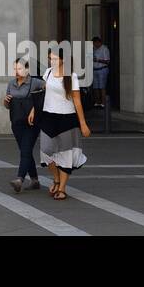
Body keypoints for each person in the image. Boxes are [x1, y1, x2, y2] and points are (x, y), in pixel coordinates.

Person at [38, 48, 90, 201]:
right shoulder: (47, 73)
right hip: (48, 117)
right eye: (50, 58)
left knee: (65, 154)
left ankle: (62, 189)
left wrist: (83, 124)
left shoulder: (71, 76)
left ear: (63, 59)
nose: (51, 61)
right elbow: (42, 94)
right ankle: (56, 178)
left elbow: (77, 101)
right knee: (46, 152)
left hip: (67, 119)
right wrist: (34, 110)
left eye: (54, 58)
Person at [2, 58, 43, 192]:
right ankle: (35, 180)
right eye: (14, 69)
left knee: (25, 150)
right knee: (26, 151)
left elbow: (47, 94)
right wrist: (6, 101)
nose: (16, 71)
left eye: (19, 69)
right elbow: (8, 106)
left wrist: (35, 108)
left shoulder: (36, 82)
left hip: (32, 123)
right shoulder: (11, 84)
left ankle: (19, 179)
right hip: (16, 121)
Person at [91, 36, 111, 108]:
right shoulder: (94, 49)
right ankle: (97, 102)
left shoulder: (104, 49)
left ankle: (103, 103)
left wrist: (98, 60)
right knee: (95, 87)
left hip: (102, 69)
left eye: (95, 43)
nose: (94, 45)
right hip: (95, 69)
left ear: (98, 42)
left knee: (102, 87)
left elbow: (107, 61)